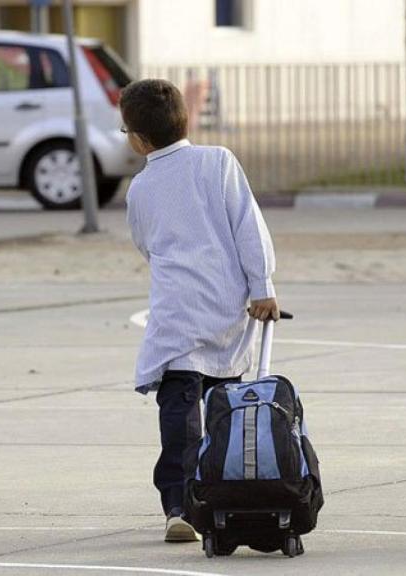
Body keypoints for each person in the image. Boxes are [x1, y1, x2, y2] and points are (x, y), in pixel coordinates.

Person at [120, 79, 280, 543]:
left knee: (178, 409)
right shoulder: (219, 162)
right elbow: (248, 226)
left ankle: (179, 503)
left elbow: (145, 244)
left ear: (139, 139)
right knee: (222, 409)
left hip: (174, 314)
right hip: (226, 310)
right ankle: (220, 493)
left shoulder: (142, 187)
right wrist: (262, 286)